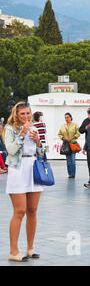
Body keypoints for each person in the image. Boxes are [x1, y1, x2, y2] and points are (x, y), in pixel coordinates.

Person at [3, 102, 45, 262]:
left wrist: (38, 142)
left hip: (33, 169)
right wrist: (22, 133)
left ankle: (30, 248)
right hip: (18, 170)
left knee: (33, 210)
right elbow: (11, 150)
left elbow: (41, 152)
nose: (26, 116)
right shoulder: (10, 129)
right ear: (16, 114)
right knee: (20, 211)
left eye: (28, 113)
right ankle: (13, 251)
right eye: (22, 114)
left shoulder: (35, 128)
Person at [57, 113, 80, 179]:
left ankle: (73, 174)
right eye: (65, 117)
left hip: (73, 144)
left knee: (72, 159)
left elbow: (78, 133)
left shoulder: (75, 125)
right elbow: (59, 134)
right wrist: (63, 138)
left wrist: (72, 138)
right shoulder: (63, 126)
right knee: (68, 160)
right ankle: (70, 174)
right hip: (66, 144)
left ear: (70, 117)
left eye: (67, 117)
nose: (66, 119)